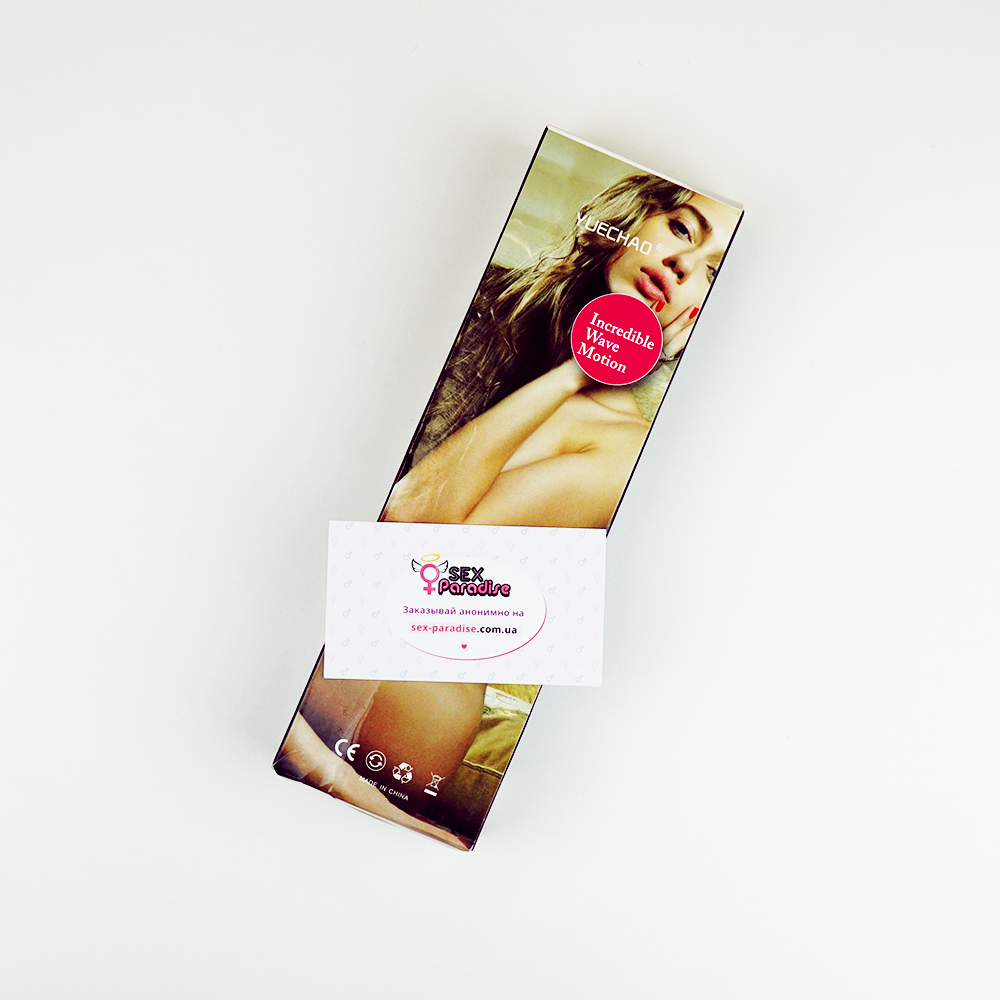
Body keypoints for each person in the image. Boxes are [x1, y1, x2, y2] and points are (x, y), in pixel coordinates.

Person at [275, 173, 740, 847]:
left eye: (710, 272)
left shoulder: (619, 447)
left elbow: (406, 532)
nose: (681, 264)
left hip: (409, 703)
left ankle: (327, 769)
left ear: (696, 318)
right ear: (633, 221)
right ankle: (320, 765)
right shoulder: (488, 301)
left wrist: (581, 369)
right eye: (680, 229)